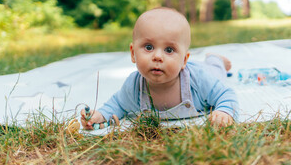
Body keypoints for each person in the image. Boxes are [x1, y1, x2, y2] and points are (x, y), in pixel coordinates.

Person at [81, 7, 238, 129]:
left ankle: (215, 59)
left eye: (169, 50)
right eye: (148, 47)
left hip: (206, 72)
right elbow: (118, 104)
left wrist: (224, 111)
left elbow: (226, 94)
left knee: (216, 72)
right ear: (133, 53)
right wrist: (100, 115)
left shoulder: (199, 79)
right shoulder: (134, 86)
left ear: (184, 60)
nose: (157, 56)